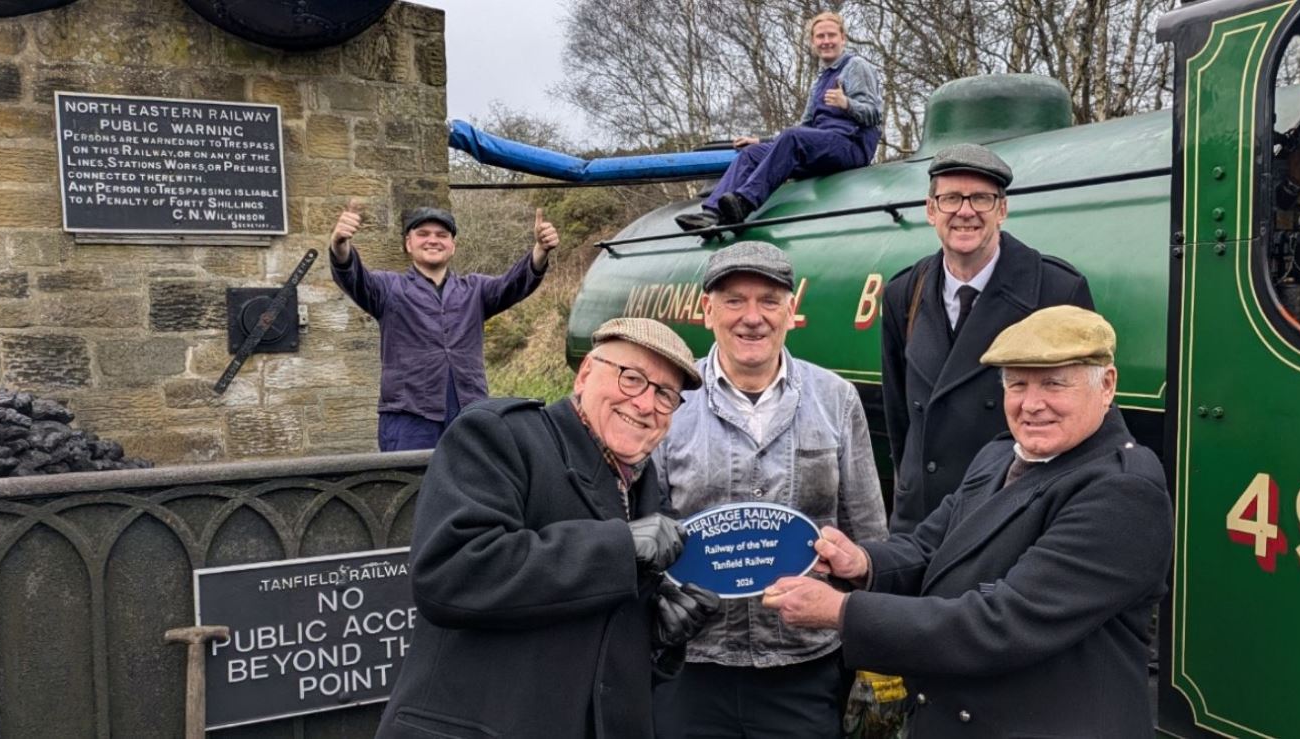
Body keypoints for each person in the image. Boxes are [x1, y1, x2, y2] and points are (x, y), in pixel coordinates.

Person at [762, 306, 1173, 737]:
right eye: (1017, 384)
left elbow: (1002, 624)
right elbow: (929, 548)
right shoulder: (998, 455)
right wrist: (862, 563)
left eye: (1054, 383)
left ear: (1106, 385)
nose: (1032, 404)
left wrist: (842, 612)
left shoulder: (1123, 491)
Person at [375, 317, 723, 739]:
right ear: (585, 374)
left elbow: (599, 640)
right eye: (632, 379)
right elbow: (450, 573)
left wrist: (659, 639)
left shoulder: (646, 485)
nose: (646, 404)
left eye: (665, 395)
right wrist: (617, 547)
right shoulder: (501, 434)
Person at [651, 242, 888, 737]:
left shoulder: (836, 399)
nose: (752, 317)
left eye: (769, 300)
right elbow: (638, 528)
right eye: (734, 300)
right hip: (691, 663)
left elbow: (868, 533)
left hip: (804, 663)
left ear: (791, 310)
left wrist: (871, 636)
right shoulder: (670, 402)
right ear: (707, 310)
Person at [880, 143, 1095, 534]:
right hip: (920, 519)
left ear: (1002, 209)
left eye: (981, 198)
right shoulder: (902, 294)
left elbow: (1085, 419)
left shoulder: (1056, 289)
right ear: (931, 211)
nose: (965, 211)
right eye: (951, 199)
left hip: (1010, 519)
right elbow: (899, 416)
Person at [329, 202, 561, 451]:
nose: (433, 240)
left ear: (452, 246)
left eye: (442, 235)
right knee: (412, 487)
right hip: (408, 417)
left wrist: (540, 251)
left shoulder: (475, 290)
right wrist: (340, 244)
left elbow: (513, 284)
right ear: (409, 244)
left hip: (469, 412)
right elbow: (353, 275)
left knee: (471, 485)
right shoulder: (388, 288)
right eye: (423, 234)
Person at [675, 11, 882, 232]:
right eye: (820, 37)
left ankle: (744, 203)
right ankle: (711, 214)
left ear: (843, 38)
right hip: (822, 146)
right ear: (813, 42)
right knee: (751, 154)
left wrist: (846, 103)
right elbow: (805, 127)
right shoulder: (820, 81)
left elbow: (874, 114)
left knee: (792, 137)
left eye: (831, 35)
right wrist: (761, 140)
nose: (826, 41)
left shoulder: (856, 66)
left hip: (850, 145)